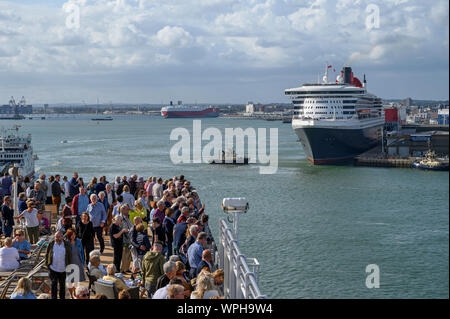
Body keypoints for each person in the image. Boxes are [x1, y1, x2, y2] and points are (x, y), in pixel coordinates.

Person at [45, 231, 72, 299]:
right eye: (56, 237)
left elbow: (69, 256)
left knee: (62, 285)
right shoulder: (51, 244)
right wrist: (47, 265)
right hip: (53, 268)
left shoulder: (67, 244)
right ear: (54, 237)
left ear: (62, 237)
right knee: (53, 284)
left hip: (63, 269)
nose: (57, 238)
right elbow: (47, 254)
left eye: (59, 237)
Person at [66, 229, 86, 298]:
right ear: (69, 235)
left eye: (74, 234)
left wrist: (83, 262)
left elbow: (82, 253)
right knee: (70, 281)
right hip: (70, 263)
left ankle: (75, 293)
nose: (73, 236)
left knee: (76, 281)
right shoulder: (66, 242)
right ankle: (71, 294)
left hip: (78, 261)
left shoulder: (79, 241)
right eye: (71, 235)